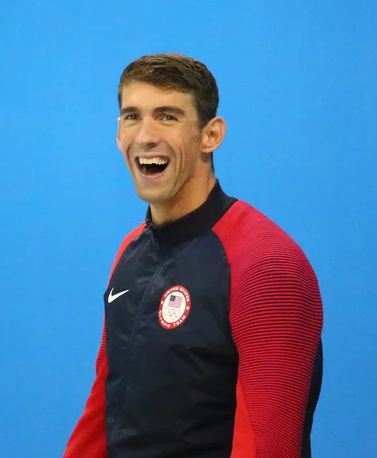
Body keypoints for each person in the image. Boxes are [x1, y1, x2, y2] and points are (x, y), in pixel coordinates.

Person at [63, 53, 324, 458]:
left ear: (211, 135)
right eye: (132, 117)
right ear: (118, 134)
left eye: (167, 116)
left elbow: (268, 446)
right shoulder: (129, 251)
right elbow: (103, 407)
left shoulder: (266, 263)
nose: (145, 135)